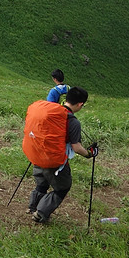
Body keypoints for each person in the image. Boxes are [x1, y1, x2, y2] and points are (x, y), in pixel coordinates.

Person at [23, 87, 97, 224]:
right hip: (54, 161)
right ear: (80, 104)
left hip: (37, 154)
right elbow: (76, 147)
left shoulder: (52, 112)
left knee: (42, 183)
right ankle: (40, 213)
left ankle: (32, 207)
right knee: (62, 187)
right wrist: (90, 154)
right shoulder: (73, 122)